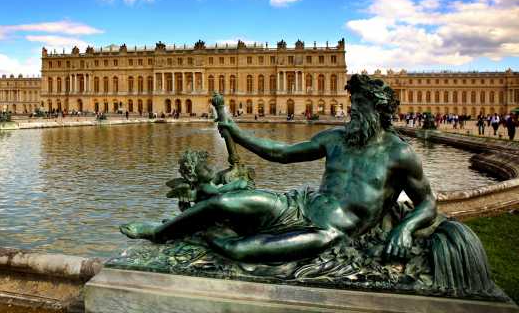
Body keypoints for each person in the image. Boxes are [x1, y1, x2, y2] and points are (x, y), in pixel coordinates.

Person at [121, 74, 437, 263]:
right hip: (298, 205)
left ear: (377, 109)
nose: (351, 108)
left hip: (329, 232)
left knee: (240, 251)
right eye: (352, 102)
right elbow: (281, 153)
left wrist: (405, 228)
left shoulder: (399, 153)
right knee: (221, 201)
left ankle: (205, 236)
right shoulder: (336, 138)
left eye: (359, 104)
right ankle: (160, 232)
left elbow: (428, 203)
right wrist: (237, 132)